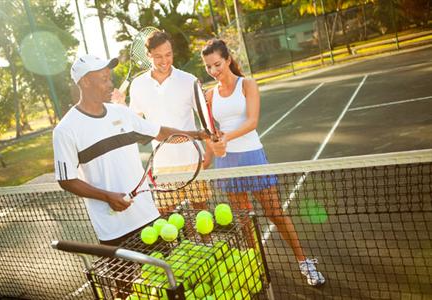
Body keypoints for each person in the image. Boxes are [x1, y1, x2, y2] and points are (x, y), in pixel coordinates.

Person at [201, 39, 326, 286]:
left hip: (251, 155)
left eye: (217, 64)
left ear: (227, 60)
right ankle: (255, 261)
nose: (213, 71)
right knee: (245, 218)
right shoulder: (209, 95)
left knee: (275, 213)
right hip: (227, 163)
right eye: (208, 67)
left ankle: (303, 262)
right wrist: (211, 149)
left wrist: (226, 137)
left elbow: (252, 121)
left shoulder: (247, 84)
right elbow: (211, 130)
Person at [52, 54, 206, 247]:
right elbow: (66, 180)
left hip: (148, 216)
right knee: (126, 277)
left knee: (162, 273)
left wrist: (199, 134)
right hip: (113, 228)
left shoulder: (122, 113)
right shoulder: (65, 130)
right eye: (104, 79)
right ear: (85, 82)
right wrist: (107, 197)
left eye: (110, 78)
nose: (110, 84)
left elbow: (161, 132)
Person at [125, 30, 210, 214]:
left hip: (192, 160)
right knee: (166, 219)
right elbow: (133, 122)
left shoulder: (189, 80)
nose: (164, 60)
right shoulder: (138, 85)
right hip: (162, 164)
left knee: (202, 215)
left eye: (168, 54)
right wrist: (117, 105)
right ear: (148, 55)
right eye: (158, 56)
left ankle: (206, 243)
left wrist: (209, 152)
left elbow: (206, 120)